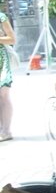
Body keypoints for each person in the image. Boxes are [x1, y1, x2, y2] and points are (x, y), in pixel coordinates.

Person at [0, 12, 15, 141]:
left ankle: (6, 131)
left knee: (3, 95)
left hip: (2, 61)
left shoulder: (1, 17)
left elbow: (12, 39)